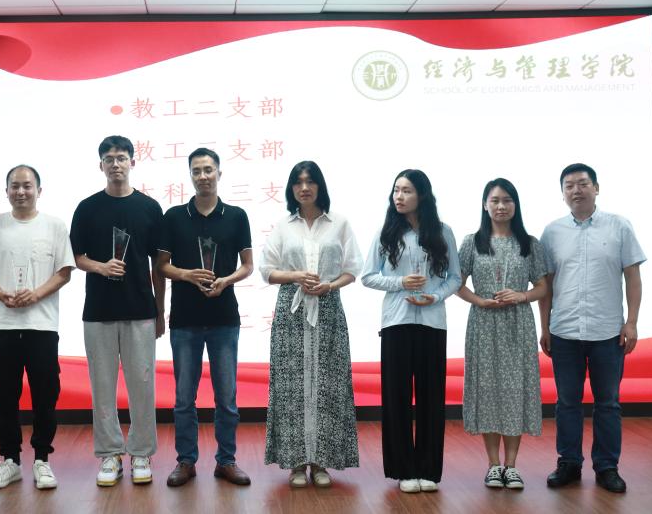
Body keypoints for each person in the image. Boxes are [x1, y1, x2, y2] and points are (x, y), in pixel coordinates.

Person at [539, 163, 644, 494]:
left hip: (608, 332)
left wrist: (631, 322)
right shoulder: (552, 232)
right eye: (569, 185)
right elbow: (546, 285)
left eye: (583, 183)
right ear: (562, 194)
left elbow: (633, 277)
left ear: (596, 188)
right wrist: (545, 327)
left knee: (608, 403)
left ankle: (607, 466)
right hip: (564, 332)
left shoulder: (619, 226)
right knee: (567, 402)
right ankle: (569, 463)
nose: (576, 190)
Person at [0, 165, 75, 490]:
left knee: (45, 394)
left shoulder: (55, 226)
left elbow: (64, 271)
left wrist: (36, 294)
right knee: (4, 396)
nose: (20, 191)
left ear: (38, 191)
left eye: (27, 186)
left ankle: (42, 459)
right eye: (14, 186)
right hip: (2, 326)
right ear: (6, 191)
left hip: (41, 326)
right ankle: (10, 460)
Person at [70, 136, 166, 487]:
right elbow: (76, 257)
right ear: (101, 165)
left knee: (143, 385)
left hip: (141, 309)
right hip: (98, 311)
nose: (115, 164)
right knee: (102, 387)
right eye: (109, 159)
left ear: (132, 162)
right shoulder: (87, 208)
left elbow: (159, 265)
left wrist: (160, 311)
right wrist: (100, 267)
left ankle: (141, 453)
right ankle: (109, 454)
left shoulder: (150, 207)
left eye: (121, 158)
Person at [260, 161, 362, 488]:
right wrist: (296, 276)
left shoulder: (339, 223)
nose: (304, 188)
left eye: (310, 181)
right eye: (298, 182)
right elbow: (267, 270)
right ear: (291, 189)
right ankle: (295, 462)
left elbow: (352, 268)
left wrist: (330, 285)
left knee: (328, 384)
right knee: (291, 386)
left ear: (320, 186)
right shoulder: (283, 226)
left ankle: (320, 462)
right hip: (291, 311)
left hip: (328, 308)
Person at [156, 148, 254, 488]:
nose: (203, 176)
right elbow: (162, 266)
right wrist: (187, 275)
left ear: (219, 173)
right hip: (185, 320)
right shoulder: (174, 216)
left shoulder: (236, 216)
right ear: (190, 175)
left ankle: (226, 461)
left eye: (208, 169)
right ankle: (186, 461)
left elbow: (248, 266)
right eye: (196, 170)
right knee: (184, 398)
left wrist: (226, 280)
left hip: (225, 319)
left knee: (226, 398)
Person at [362, 169, 461, 494]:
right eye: (396, 190)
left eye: (406, 191)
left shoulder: (443, 232)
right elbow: (368, 276)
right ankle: (404, 469)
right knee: (397, 398)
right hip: (397, 322)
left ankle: (429, 470)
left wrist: (436, 296)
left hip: (432, 321)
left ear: (422, 195)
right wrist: (400, 282)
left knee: (432, 397)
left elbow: (455, 278)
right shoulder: (386, 233)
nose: (399, 197)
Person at [455, 178, 547, 490]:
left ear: (515, 205)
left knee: (515, 390)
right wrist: (479, 300)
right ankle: (493, 465)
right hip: (483, 324)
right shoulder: (472, 242)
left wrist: (522, 296)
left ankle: (512, 466)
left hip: (517, 324)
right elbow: (456, 283)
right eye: (494, 200)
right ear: (485, 205)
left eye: (507, 200)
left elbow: (543, 287)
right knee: (488, 391)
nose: (501, 206)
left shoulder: (530, 243)